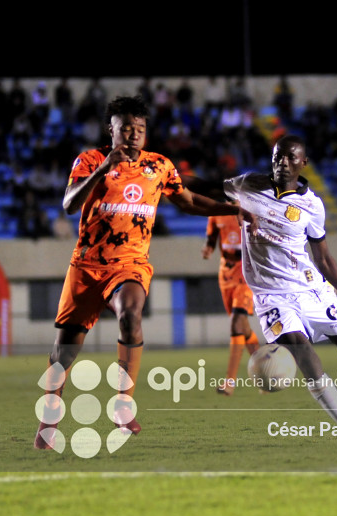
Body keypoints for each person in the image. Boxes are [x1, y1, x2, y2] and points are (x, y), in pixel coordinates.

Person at [34, 95, 253, 450]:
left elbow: (188, 201)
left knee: (131, 314)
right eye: (125, 128)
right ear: (111, 130)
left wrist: (231, 210)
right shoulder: (90, 160)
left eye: (140, 128)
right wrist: (103, 169)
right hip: (87, 266)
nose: (133, 134)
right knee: (64, 353)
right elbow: (70, 204)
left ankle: (123, 405)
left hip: (131, 264)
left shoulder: (159, 166)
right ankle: (48, 420)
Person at [223, 135, 337, 440]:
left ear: (303, 163)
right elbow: (202, 189)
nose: (282, 162)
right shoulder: (248, 185)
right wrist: (170, 181)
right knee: (302, 350)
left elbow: (322, 258)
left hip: (312, 290)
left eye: (290, 157)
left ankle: (318, 329)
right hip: (273, 296)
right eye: (278, 156)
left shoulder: (313, 205)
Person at [201, 206, 260, 396]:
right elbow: (211, 238)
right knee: (243, 328)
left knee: (236, 321)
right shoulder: (216, 213)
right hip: (226, 274)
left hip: (246, 272)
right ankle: (264, 373)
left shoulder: (251, 211)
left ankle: (230, 381)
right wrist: (208, 248)